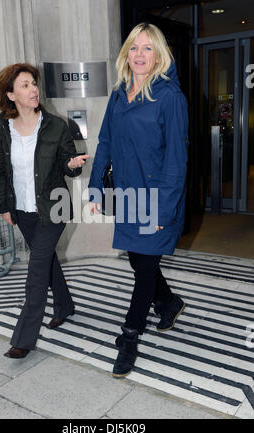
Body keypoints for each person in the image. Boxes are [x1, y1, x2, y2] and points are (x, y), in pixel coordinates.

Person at [88, 23, 188, 378]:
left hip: (158, 197)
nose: (140, 55)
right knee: (138, 262)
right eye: (134, 48)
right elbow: (105, 143)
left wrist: (164, 210)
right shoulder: (118, 94)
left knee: (144, 269)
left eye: (148, 48)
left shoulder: (170, 97)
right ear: (126, 54)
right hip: (128, 196)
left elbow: (177, 159)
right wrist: (95, 186)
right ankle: (169, 302)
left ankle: (129, 336)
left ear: (159, 54)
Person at [0, 63, 89, 359]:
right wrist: (4, 206)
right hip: (23, 211)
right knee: (47, 262)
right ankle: (65, 306)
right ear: (10, 94)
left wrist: (71, 165)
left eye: (33, 83)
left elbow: (68, 164)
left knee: (35, 270)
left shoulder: (55, 125)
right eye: (24, 85)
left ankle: (23, 339)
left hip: (53, 208)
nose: (33, 89)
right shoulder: (2, 131)